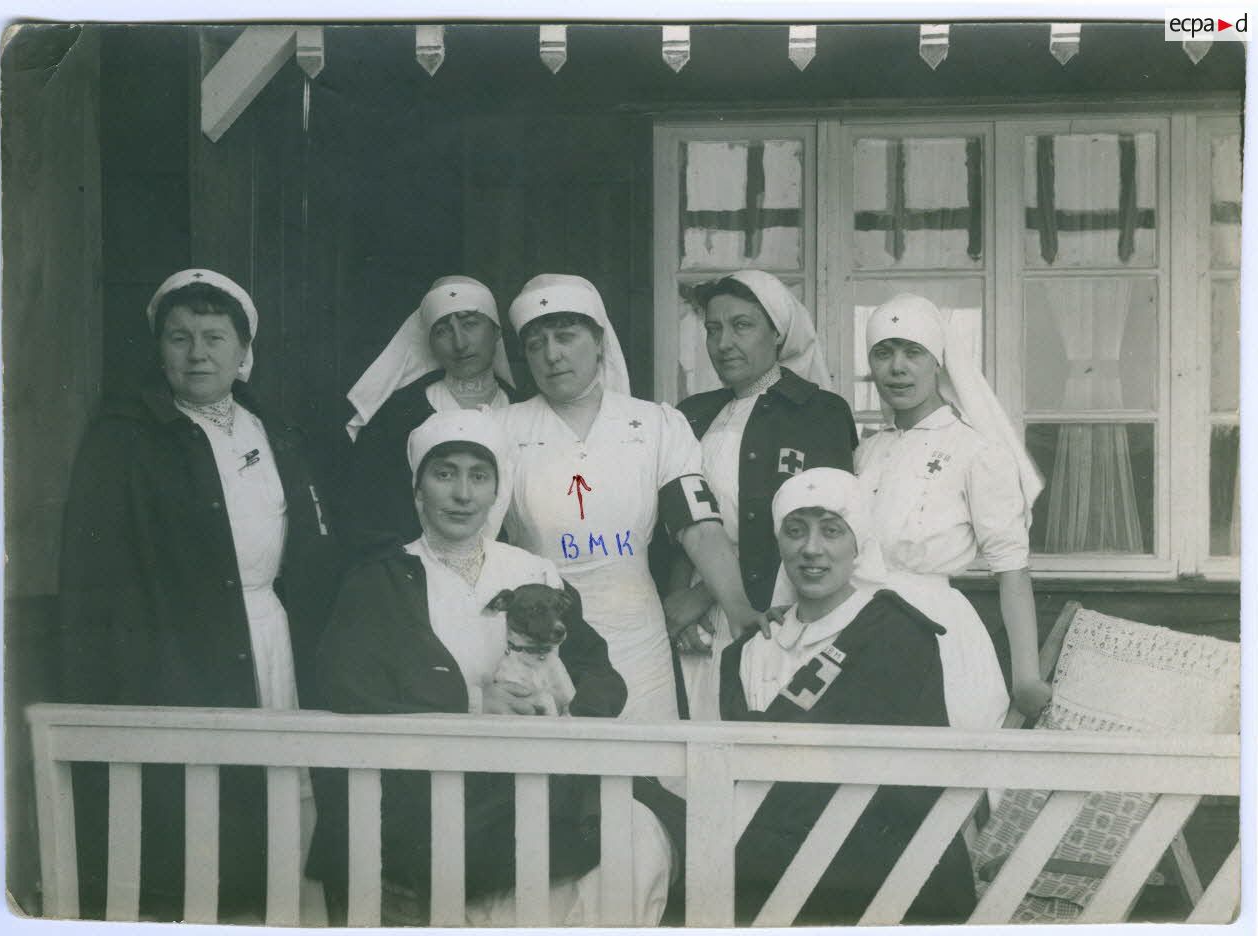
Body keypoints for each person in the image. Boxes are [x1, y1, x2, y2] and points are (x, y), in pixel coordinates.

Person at [310, 410, 680, 925]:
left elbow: (597, 670)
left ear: (495, 491)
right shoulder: (383, 581)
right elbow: (347, 689)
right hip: (443, 791)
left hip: (547, 778)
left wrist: (573, 712)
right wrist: (471, 703)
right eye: (444, 474)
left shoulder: (531, 573)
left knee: (637, 834)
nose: (462, 493)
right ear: (418, 491)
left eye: (478, 476)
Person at [57, 268, 339, 921]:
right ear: (159, 352)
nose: (197, 353)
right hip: (175, 647)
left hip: (271, 634)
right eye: (179, 338)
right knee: (198, 811)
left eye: (215, 337)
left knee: (284, 790)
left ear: (245, 354)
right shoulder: (127, 436)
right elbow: (96, 572)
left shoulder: (274, 431)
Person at [494, 273, 764, 722]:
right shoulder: (502, 429)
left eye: (566, 336)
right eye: (537, 343)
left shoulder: (656, 425)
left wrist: (737, 607)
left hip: (636, 635)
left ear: (599, 341)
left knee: (645, 781)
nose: (552, 354)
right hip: (535, 639)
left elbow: (697, 526)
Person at [721, 468, 976, 925]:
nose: (811, 549)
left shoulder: (897, 635)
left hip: (874, 874)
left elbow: (907, 786)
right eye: (795, 531)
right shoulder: (750, 652)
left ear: (859, 543)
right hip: (767, 872)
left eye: (832, 531)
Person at [668, 270, 858, 720]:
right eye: (713, 329)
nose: (724, 342)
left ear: (777, 332)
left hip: (777, 605)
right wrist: (680, 606)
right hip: (692, 618)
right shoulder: (691, 415)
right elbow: (675, 521)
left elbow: (818, 526)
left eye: (742, 325)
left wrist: (708, 597)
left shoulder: (818, 413)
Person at [856, 292, 1050, 726]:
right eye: (883, 353)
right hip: (859, 632)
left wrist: (1026, 678)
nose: (897, 367)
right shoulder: (868, 452)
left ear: (938, 362)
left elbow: (1012, 569)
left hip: (934, 633)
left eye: (913, 352)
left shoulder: (976, 452)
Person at [342, 275, 516, 549]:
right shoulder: (395, 417)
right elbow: (370, 518)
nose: (459, 343)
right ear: (429, 342)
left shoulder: (524, 409)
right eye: (442, 330)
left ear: (496, 332)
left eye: (470, 324)